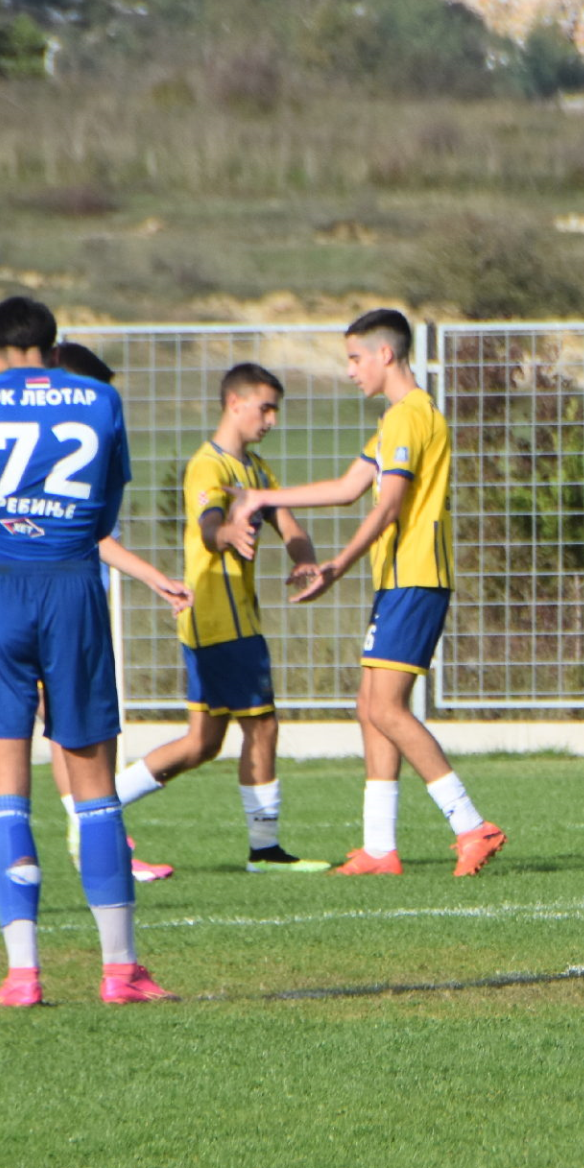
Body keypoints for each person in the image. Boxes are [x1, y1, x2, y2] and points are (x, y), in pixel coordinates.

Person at [0, 297, 187, 1007]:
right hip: (72, 591)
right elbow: (106, 514)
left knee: (6, 788)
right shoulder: (101, 400)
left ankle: (23, 975)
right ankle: (120, 972)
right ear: (53, 346)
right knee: (94, 788)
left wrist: (10, 534)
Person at [0, 340, 179, 885]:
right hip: (36, 602)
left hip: (27, 602)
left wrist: (148, 575)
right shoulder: (39, 439)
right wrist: (149, 574)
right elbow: (71, 533)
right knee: (60, 723)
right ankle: (95, 838)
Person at [229, 309, 506, 877]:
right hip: (398, 579)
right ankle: (380, 848)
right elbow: (348, 487)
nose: (351, 371)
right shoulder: (394, 422)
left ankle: (471, 825)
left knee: (386, 707)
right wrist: (263, 499)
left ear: (386, 354)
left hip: (416, 577)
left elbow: (388, 504)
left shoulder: (410, 417)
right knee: (369, 706)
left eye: (355, 358)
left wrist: (337, 565)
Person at [112, 363, 332, 873]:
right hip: (220, 620)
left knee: (202, 744)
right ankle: (265, 850)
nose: (272, 420)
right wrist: (225, 534)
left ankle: (100, 806)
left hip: (227, 621)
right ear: (235, 404)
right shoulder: (207, 466)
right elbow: (209, 523)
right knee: (263, 726)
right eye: (265, 408)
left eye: (276, 410)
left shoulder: (256, 470)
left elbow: (287, 522)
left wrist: (304, 557)